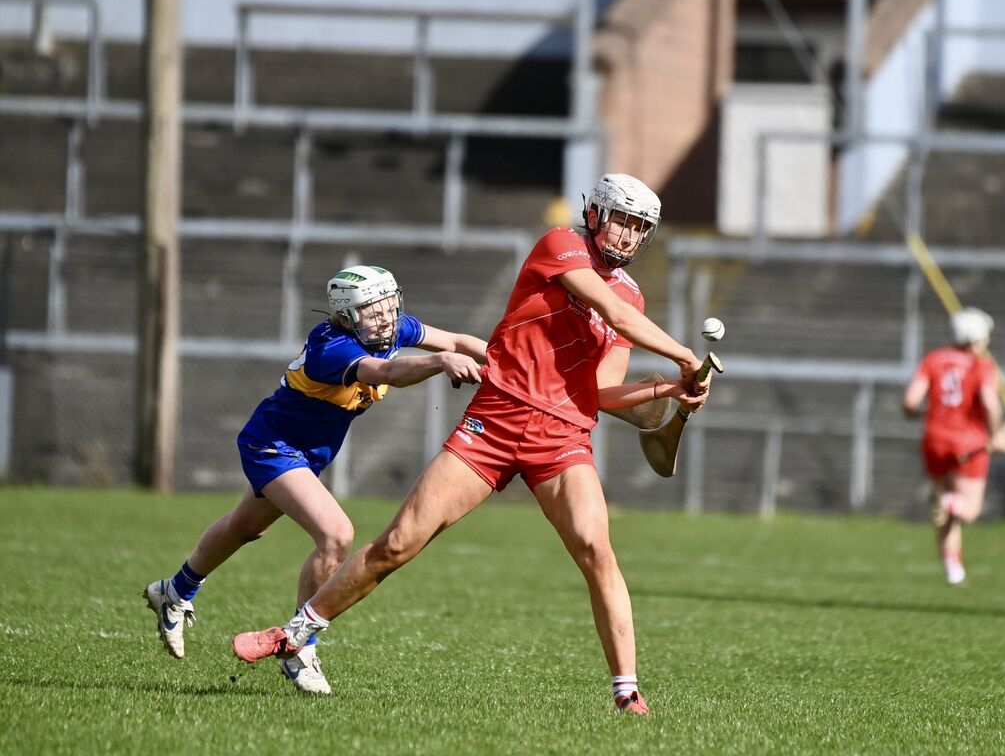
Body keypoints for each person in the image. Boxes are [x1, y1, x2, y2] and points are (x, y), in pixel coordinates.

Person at [231, 173, 710, 714]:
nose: (627, 236)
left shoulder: (632, 295)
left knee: (598, 552)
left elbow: (600, 391)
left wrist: (672, 388)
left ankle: (627, 693)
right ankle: (294, 633)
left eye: (639, 228)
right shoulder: (561, 246)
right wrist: (686, 358)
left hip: (562, 438)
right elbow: (619, 316)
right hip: (496, 421)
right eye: (622, 220)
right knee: (397, 544)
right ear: (597, 214)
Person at [143, 265, 487, 694]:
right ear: (345, 316)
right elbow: (387, 374)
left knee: (247, 526)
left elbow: (457, 341)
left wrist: (507, 365)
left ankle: (173, 591)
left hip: (306, 454)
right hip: (273, 444)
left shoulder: (389, 329)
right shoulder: (334, 347)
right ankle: (300, 647)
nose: (385, 317)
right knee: (336, 534)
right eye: (372, 311)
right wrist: (439, 361)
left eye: (388, 306)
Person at [903, 307, 1003, 586]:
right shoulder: (980, 365)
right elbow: (989, 402)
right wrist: (994, 435)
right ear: (976, 338)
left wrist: (925, 415)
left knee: (946, 514)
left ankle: (954, 570)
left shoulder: (933, 359)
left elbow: (911, 402)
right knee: (967, 510)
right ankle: (947, 503)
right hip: (969, 442)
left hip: (934, 438)